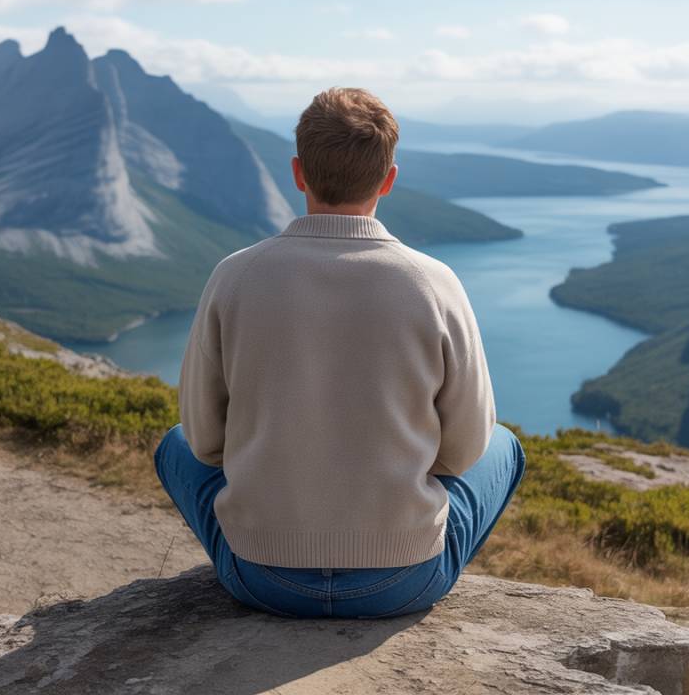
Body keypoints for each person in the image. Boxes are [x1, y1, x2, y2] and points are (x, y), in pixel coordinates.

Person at [154, 87, 526, 619]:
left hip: (260, 576)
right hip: (403, 580)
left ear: (298, 172)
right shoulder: (434, 283)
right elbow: (463, 451)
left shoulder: (234, 276)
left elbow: (205, 441)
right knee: (503, 443)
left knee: (175, 444)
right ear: (389, 179)